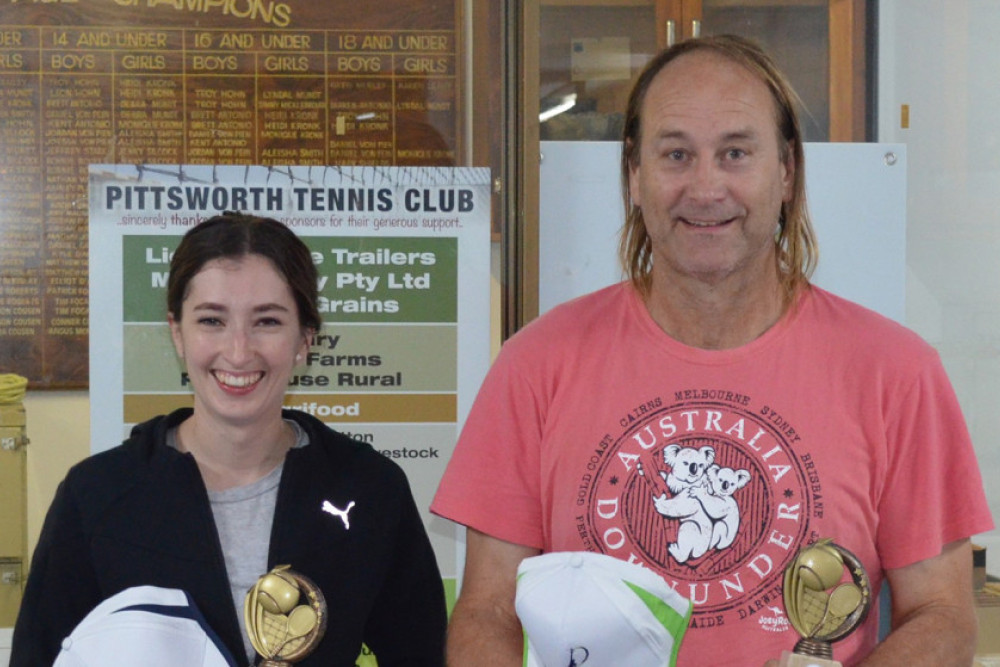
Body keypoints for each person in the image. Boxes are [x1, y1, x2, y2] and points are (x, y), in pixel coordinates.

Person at [431, 35, 994, 667]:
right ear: (635, 176)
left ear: (785, 172)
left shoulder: (897, 372)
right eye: (676, 154)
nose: (705, 187)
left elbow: (943, 617)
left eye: (734, 153)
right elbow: (486, 611)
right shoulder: (535, 364)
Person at [12, 212, 447, 666]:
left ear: (305, 339)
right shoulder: (96, 496)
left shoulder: (369, 489)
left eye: (268, 322)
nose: (239, 351)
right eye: (212, 321)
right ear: (177, 333)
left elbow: (421, 655)